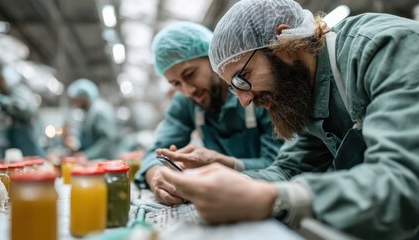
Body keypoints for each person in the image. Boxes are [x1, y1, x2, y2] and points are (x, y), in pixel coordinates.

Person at [158, 0, 419, 239]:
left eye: (242, 78)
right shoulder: (307, 91)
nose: (245, 101)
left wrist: (273, 199)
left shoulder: (385, 47)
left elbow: (405, 182)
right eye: (234, 88)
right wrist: (223, 184)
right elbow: (288, 169)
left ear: (282, 40)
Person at [135, 22, 284, 205]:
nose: (188, 91)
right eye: (176, 84)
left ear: (213, 58)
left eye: (190, 74)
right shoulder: (186, 103)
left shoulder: (255, 91)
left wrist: (224, 164)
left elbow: (284, 163)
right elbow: (156, 152)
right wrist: (157, 176)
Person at [0, 59, 45, 157]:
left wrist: (1, 100)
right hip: (11, 143)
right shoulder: (5, 93)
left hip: (25, 141)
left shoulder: (18, 90)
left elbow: (23, 109)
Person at [66, 78, 118, 160]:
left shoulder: (99, 111)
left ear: (84, 96)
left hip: (103, 160)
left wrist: (88, 155)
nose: (75, 103)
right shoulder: (89, 111)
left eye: (76, 99)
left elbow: (107, 141)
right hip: (95, 160)